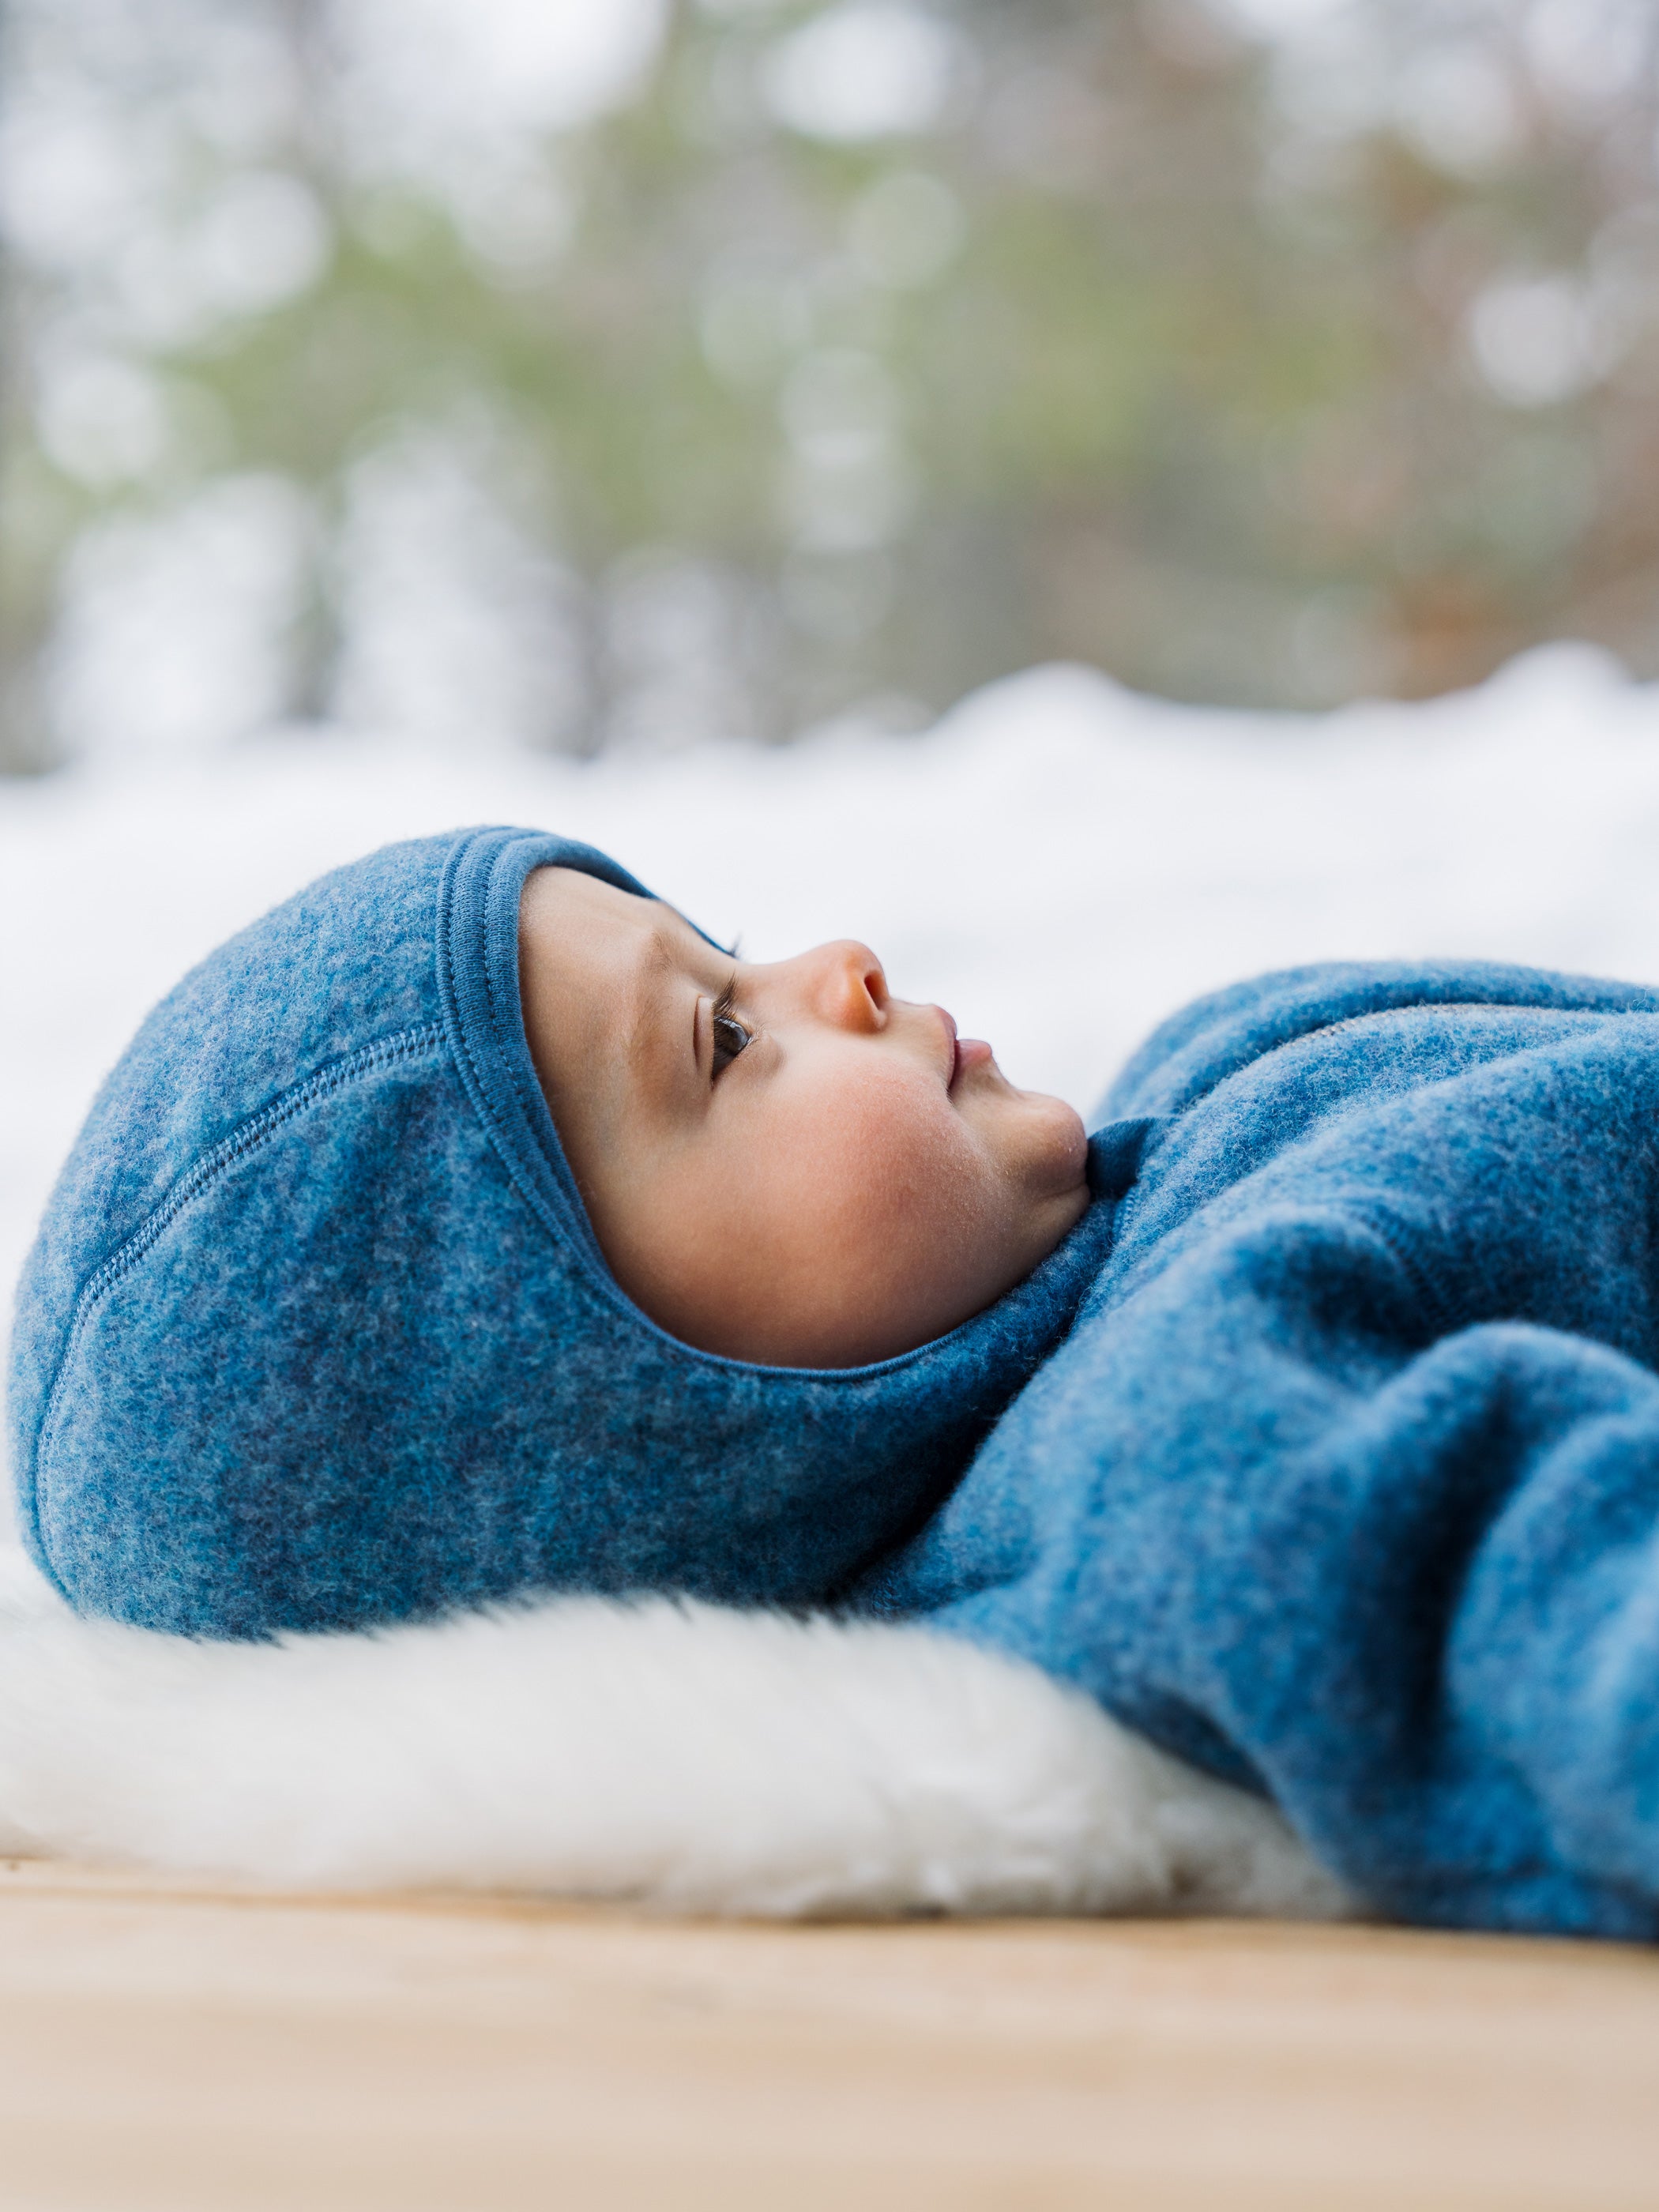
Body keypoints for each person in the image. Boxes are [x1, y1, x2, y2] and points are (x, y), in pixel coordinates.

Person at [12, 824, 1659, 1939]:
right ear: (648, 1427)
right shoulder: (1182, 1452)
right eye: (724, 1038)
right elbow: (1559, 1603)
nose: (839, 965)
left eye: (726, 953)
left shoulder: (1187, 1098)